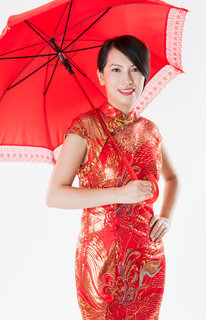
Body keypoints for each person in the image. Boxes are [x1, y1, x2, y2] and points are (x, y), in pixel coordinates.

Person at [46, 35, 179, 319]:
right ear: (101, 76)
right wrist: (120, 194)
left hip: (149, 261)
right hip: (100, 263)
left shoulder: (150, 131)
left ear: (146, 75)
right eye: (116, 69)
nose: (126, 78)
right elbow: (55, 195)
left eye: (135, 68)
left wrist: (165, 216)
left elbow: (173, 178)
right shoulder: (84, 127)